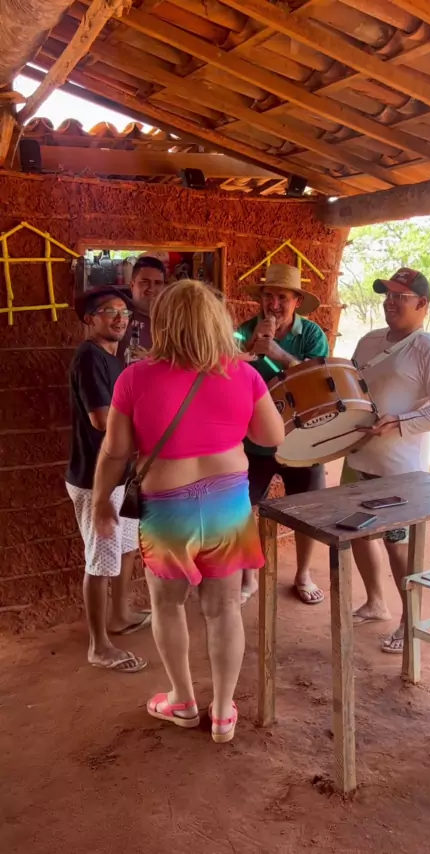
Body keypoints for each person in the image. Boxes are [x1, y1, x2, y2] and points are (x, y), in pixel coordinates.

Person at [92, 280, 285, 742]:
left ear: (163, 323)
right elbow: (271, 436)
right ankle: (222, 712)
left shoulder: (134, 378)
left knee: (167, 605)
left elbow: (115, 451)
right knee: (224, 609)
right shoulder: (245, 375)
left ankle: (181, 700)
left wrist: (101, 500)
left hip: (168, 507)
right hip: (227, 505)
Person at [343, 268, 430, 653]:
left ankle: (409, 619)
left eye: (400, 296)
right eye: (387, 295)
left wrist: (401, 422)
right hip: (358, 455)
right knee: (357, 534)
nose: (389, 302)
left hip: (399, 470)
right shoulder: (369, 341)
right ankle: (375, 602)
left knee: (398, 545)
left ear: (422, 304)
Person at [66, 286, 150, 672]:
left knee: (126, 547)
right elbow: (101, 420)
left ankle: (120, 615)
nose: (120, 318)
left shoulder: (114, 357)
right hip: (95, 478)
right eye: (109, 311)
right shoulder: (90, 358)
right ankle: (98, 645)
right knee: (100, 561)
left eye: (124, 312)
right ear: (90, 319)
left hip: (121, 476)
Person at [236, 263, 329, 605]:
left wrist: (276, 352)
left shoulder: (312, 335)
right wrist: (252, 343)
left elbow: (318, 380)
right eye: (268, 297)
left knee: (307, 509)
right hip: (254, 440)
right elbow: (229, 364)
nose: (273, 305)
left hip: (303, 438)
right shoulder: (244, 330)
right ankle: (249, 577)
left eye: (282, 298)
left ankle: (303, 574)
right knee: (242, 508)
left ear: (297, 301)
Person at [117, 255, 166, 363]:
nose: (151, 289)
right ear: (132, 285)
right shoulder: (118, 317)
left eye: (157, 283)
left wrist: (150, 358)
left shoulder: (173, 321)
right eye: (145, 282)